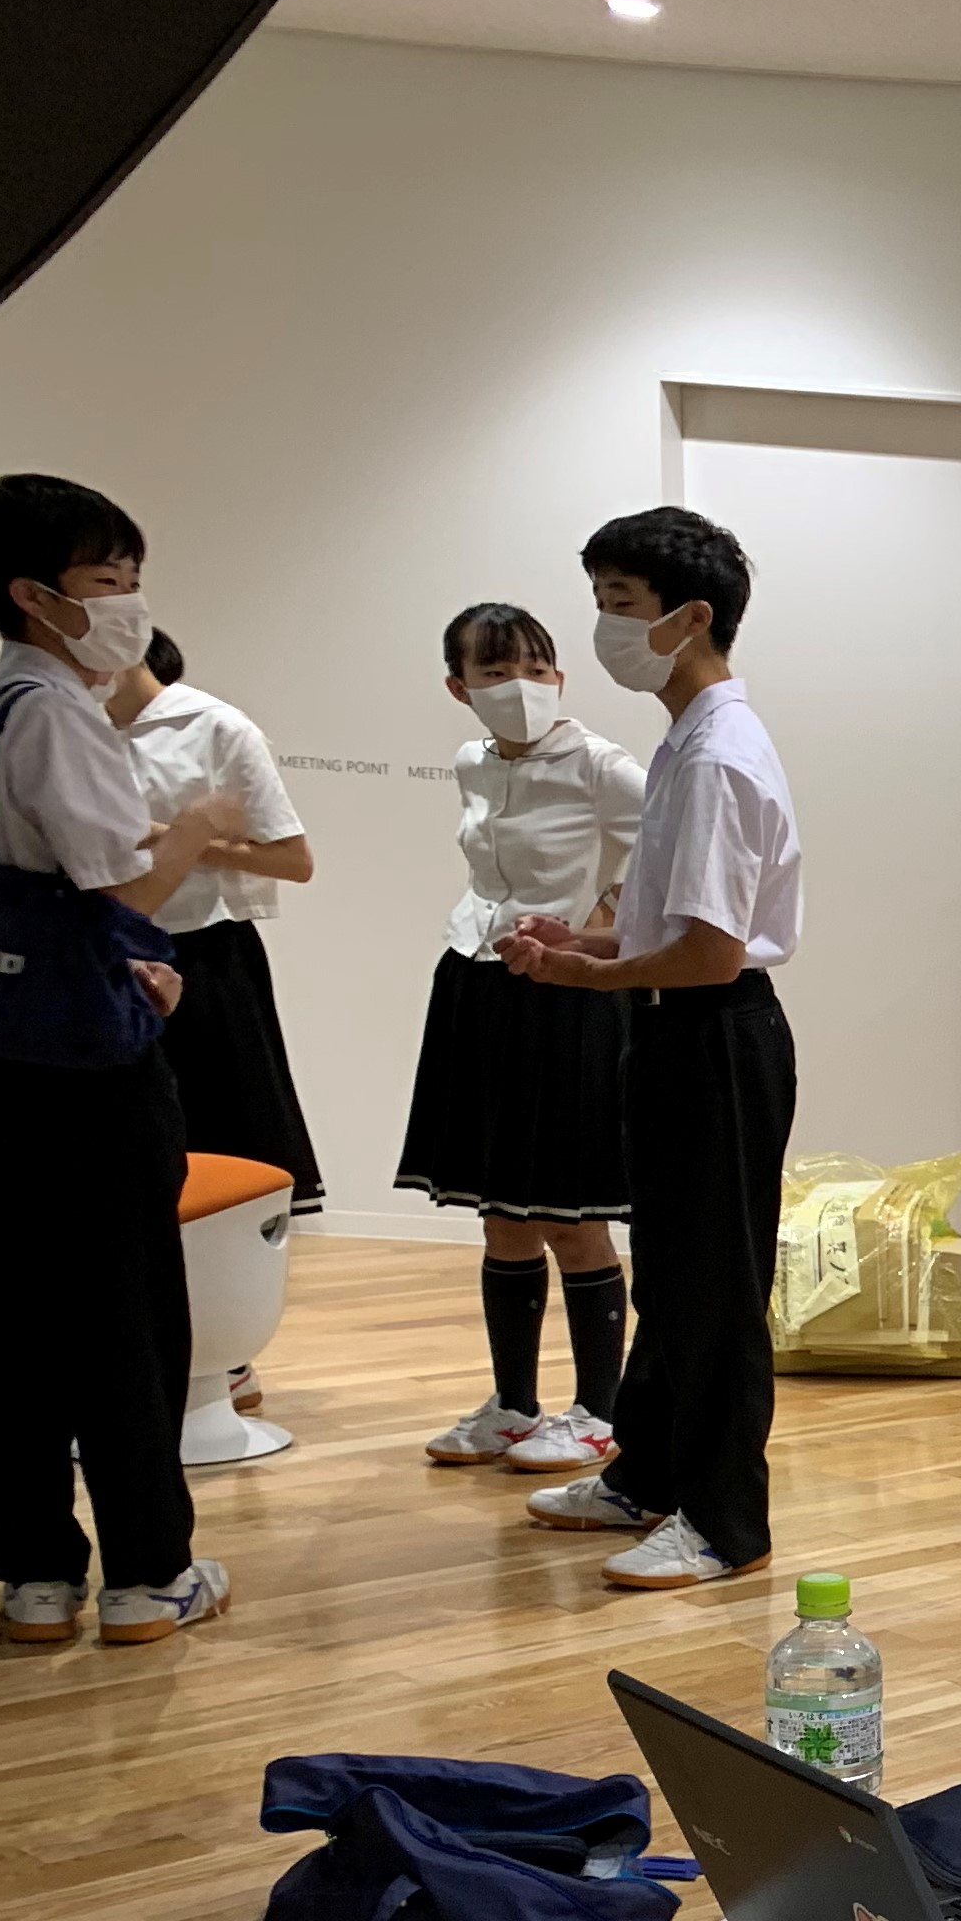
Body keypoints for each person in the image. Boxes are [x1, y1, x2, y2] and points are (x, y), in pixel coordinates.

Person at [0, 475, 248, 1645]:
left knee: (21, 1321)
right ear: (35, 595)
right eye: (106, 582)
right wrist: (197, 829)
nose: (128, 604)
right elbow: (118, 888)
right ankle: (147, 1573)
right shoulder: (59, 711)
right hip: (85, 1071)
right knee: (127, 1313)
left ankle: (34, 1575)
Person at [504, 507, 802, 1591]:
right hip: (680, 1030)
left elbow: (715, 955)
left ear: (691, 618)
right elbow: (672, 928)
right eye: (599, 602)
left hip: (714, 1035)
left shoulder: (718, 754)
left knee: (715, 1288)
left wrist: (588, 976)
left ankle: (725, 1522)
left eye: (621, 605)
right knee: (675, 1277)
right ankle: (649, 1475)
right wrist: (581, 942)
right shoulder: (686, 738)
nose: (605, 628)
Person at [399, 601, 647, 1471]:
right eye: (497, 671)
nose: (521, 686)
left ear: (560, 677)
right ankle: (512, 1404)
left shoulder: (602, 764)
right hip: (479, 981)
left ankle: (601, 1411)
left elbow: (666, 849)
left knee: (573, 1213)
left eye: (537, 668)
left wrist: (602, 923)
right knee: (502, 1212)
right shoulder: (472, 761)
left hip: (570, 991)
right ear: (458, 686)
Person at [108, 631, 319, 1234]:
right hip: (104, 950)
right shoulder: (72, 728)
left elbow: (293, 860)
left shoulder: (215, 727)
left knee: (220, 1146)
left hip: (201, 951)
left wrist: (179, 838)